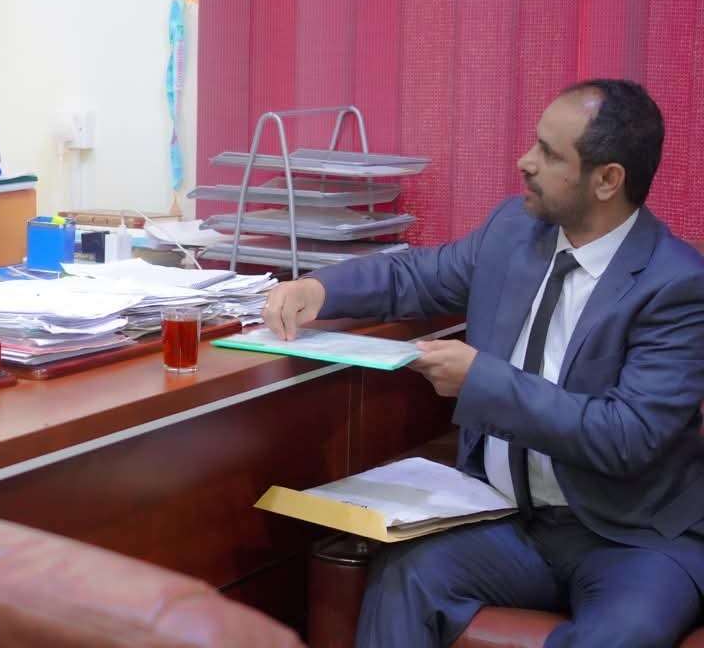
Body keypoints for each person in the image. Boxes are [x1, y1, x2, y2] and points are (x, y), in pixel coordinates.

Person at [264, 79, 704, 647]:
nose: (526, 162)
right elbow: (417, 275)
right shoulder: (514, 232)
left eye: (549, 153)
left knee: (621, 636)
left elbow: (627, 436)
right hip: (511, 520)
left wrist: (483, 382)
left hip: (631, 538)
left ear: (607, 180)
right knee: (406, 576)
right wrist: (319, 289)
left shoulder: (676, 284)